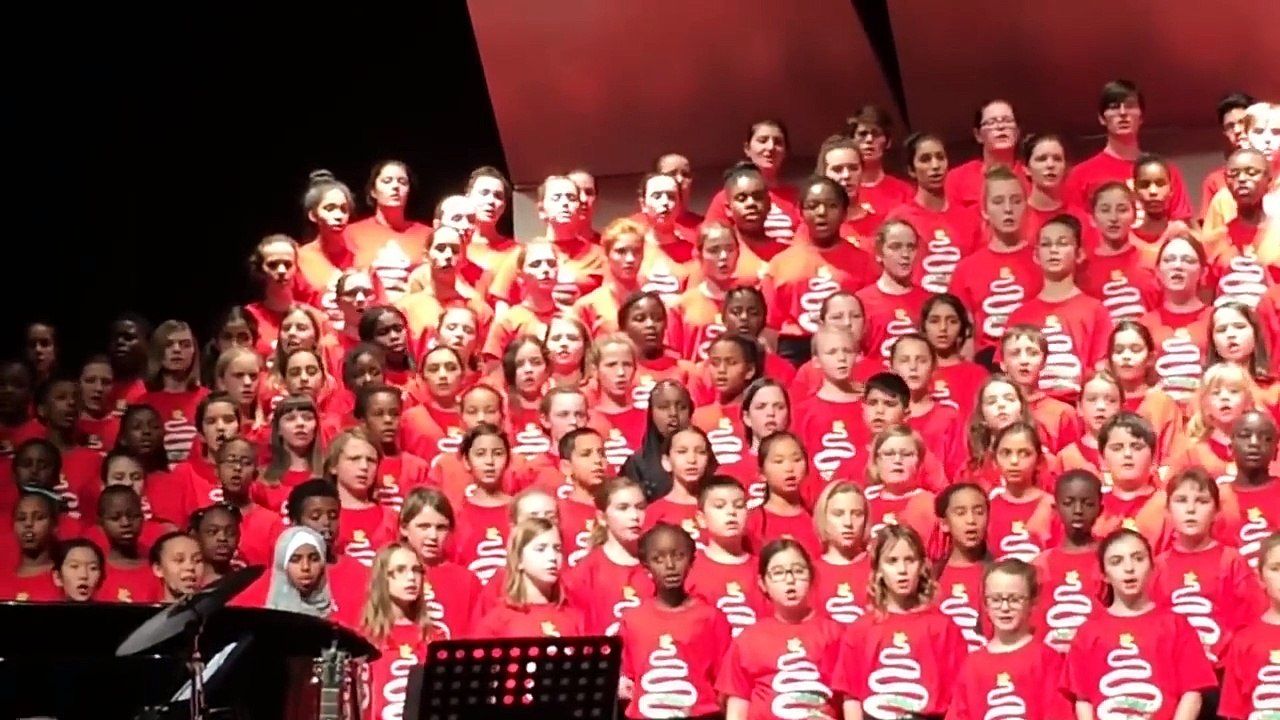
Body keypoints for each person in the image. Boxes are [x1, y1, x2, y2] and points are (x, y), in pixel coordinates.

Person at [617, 522, 731, 720]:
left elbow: (724, 683)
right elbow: (630, 677)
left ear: (691, 560)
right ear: (646, 566)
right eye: (658, 559)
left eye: (678, 556)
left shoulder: (710, 617)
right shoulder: (633, 619)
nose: (670, 566)